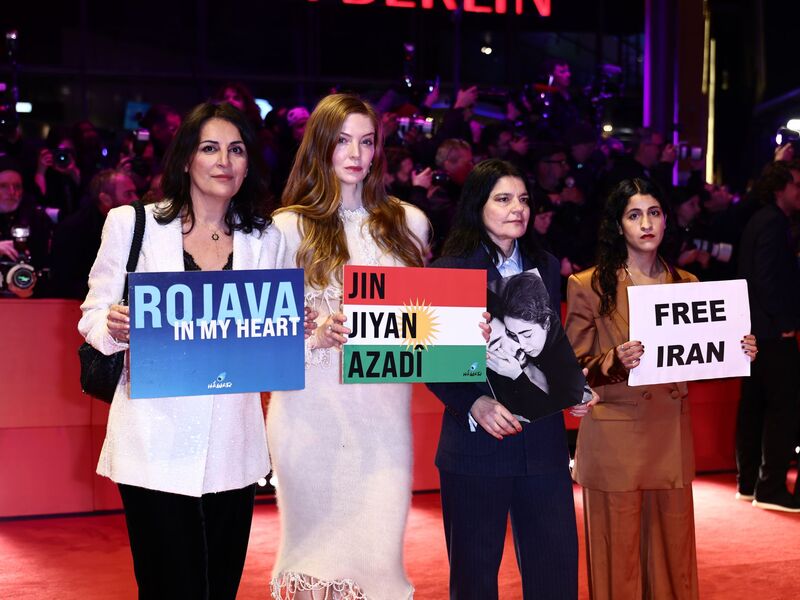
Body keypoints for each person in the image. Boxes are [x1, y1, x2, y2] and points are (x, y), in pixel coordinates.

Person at [78, 102, 276, 599]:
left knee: (220, 588)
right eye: (210, 148)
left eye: (236, 150)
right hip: (154, 441)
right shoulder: (133, 224)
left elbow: (271, 331)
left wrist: (302, 328)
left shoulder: (265, 237)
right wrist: (114, 325)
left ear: (248, 163)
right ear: (186, 158)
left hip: (234, 445)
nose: (224, 161)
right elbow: (92, 314)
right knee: (170, 588)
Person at [266, 93, 429, 599]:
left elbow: (425, 323)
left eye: (366, 141)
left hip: (384, 418)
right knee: (314, 562)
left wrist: (467, 330)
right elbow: (263, 335)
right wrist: (315, 334)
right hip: (309, 414)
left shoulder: (410, 224)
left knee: (378, 561)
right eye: (342, 141)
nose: (356, 154)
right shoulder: (285, 227)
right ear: (320, 146)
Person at [564, 178, 758, 600]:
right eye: (634, 215)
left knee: (673, 560)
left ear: (667, 220)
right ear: (619, 226)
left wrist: (737, 349)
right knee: (618, 563)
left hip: (669, 436)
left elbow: (700, 360)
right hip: (615, 438)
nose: (646, 224)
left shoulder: (688, 284)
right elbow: (572, 370)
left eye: (654, 213)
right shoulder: (588, 285)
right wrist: (615, 360)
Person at [427, 158, 594, 600]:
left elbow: (549, 345)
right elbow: (430, 363)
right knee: (475, 581)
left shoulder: (547, 264)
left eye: (523, 199)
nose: (517, 208)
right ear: (477, 205)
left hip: (543, 446)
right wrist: (473, 403)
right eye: (503, 199)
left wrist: (572, 387)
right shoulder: (448, 270)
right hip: (475, 447)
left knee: (555, 573)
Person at [736, 161, 800, 511]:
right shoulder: (774, 223)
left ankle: (749, 484)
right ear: (779, 188)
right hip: (773, 333)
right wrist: (784, 321)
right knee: (781, 409)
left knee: (753, 408)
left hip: (755, 332)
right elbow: (766, 278)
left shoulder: (759, 219)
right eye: (797, 186)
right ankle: (771, 487)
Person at [50, 169, 138, 299]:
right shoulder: (73, 230)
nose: (136, 199)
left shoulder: (137, 224)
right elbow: (65, 284)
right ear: (105, 199)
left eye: (135, 193)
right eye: (128, 194)